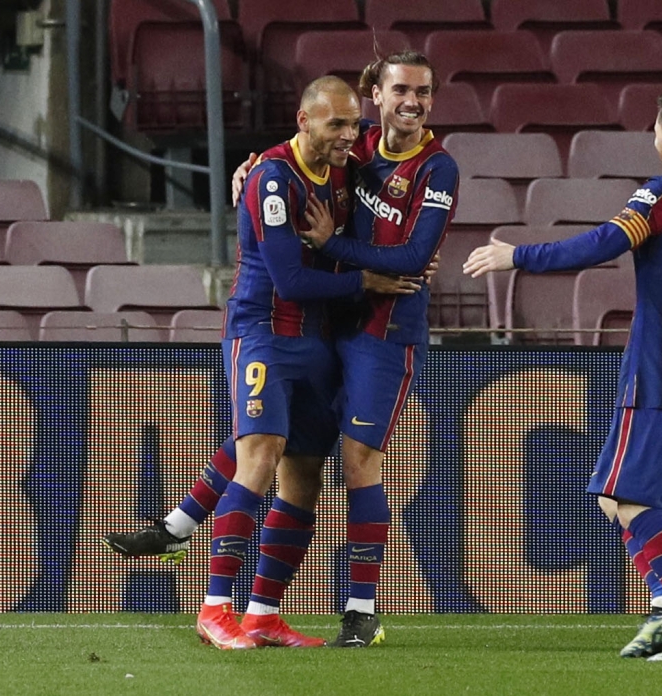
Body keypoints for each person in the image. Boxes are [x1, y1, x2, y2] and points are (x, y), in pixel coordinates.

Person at [463, 84, 662, 663]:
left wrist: (517, 256)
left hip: (657, 373)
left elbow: (603, 244)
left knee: (632, 501)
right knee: (617, 498)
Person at [107, 75, 419, 651]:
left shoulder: (346, 164)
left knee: (303, 478)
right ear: (304, 122)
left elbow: (392, 135)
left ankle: (261, 613)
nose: (349, 135)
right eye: (336, 125)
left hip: (319, 342)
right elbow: (291, 280)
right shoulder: (272, 180)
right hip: (264, 335)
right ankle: (213, 607)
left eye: (354, 125)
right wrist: (368, 279)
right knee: (259, 454)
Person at [294, 50, 458, 648]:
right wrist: (251, 164)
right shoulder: (352, 143)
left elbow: (414, 262)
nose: (411, 102)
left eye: (423, 92)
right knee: (285, 452)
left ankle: (361, 610)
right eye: (401, 91)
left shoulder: (437, 169)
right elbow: (296, 151)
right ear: (377, 95)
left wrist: (334, 245)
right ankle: (251, 600)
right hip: (323, 322)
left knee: (359, 459)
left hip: (384, 335)